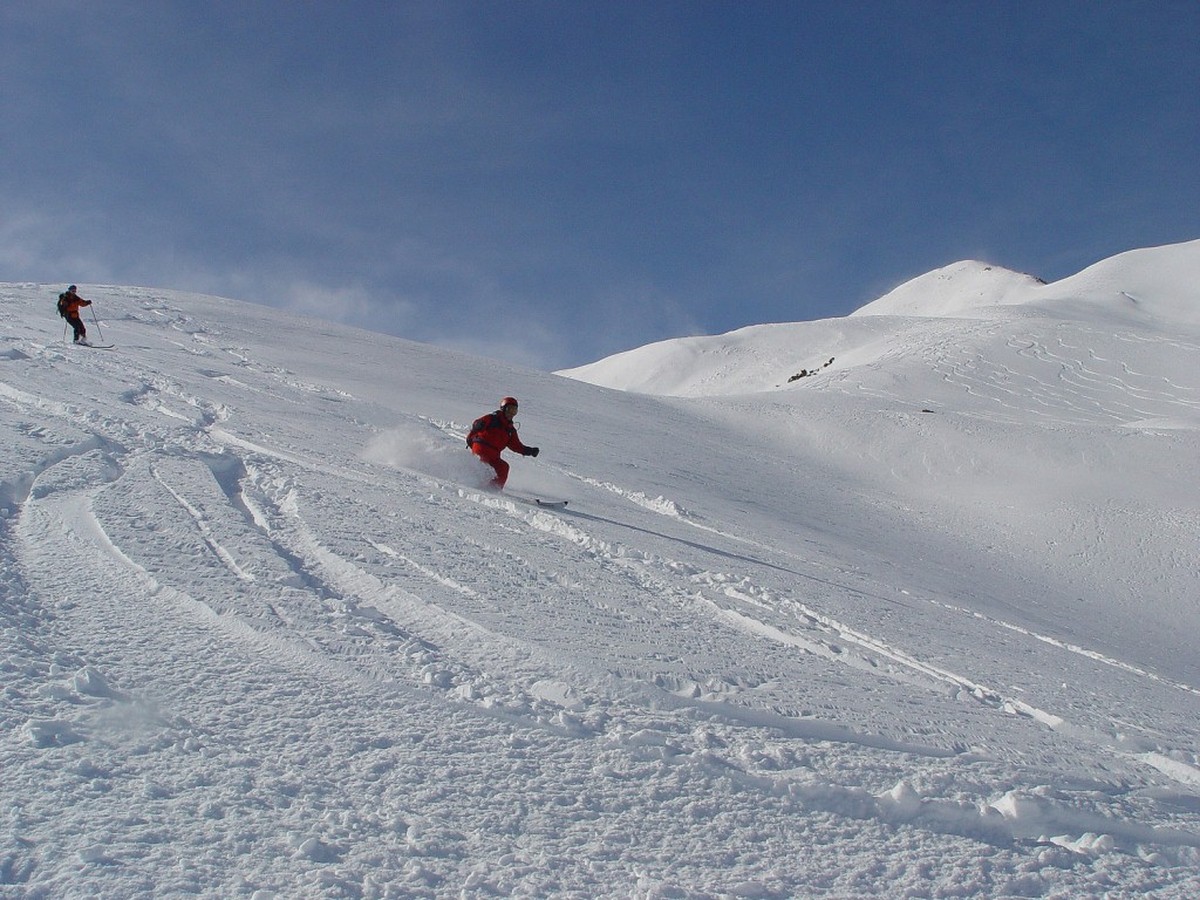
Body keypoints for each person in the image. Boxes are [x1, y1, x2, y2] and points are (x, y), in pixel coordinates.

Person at [466, 396, 539, 489]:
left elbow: (516, 445)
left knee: (503, 467)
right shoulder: (492, 418)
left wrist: (529, 451)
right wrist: (479, 424)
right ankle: (474, 484)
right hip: (481, 449)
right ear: (503, 409)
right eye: (509, 409)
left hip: (494, 456)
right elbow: (478, 423)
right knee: (483, 465)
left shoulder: (510, 430)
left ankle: (493, 489)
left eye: (514, 411)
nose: (511, 413)